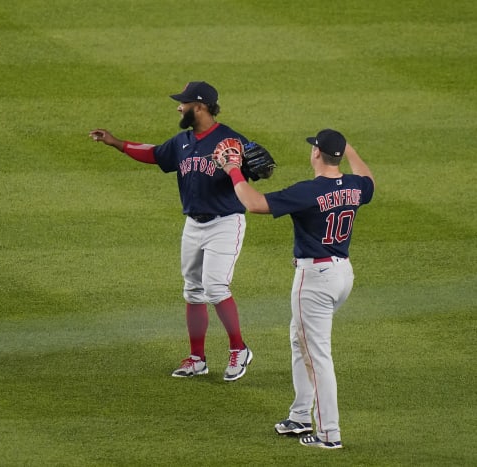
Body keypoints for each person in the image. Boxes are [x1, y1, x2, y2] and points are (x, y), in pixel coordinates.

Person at [89, 81, 266, 381]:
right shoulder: (183, 141)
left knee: (215, 288)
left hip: (225, 222)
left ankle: (239, 349)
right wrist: (116, 142)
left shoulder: (230, 139)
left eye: (183, 103)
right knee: (193, 291)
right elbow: (156, 154)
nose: (178, 107)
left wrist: (251, 164)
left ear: (200, 106)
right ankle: (197, 358)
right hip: (193, 224)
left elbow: (262, 168)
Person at [217, 129, 375, 448]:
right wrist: (350, 150)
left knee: (317, 355)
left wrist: (232, 168)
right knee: (299, 339)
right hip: (342, 274)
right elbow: (367, 177)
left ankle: (329, 434)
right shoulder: (356, 187)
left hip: (315, 281)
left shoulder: (309, 192)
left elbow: (255, 203)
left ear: (316, 153)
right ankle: (301, 415)